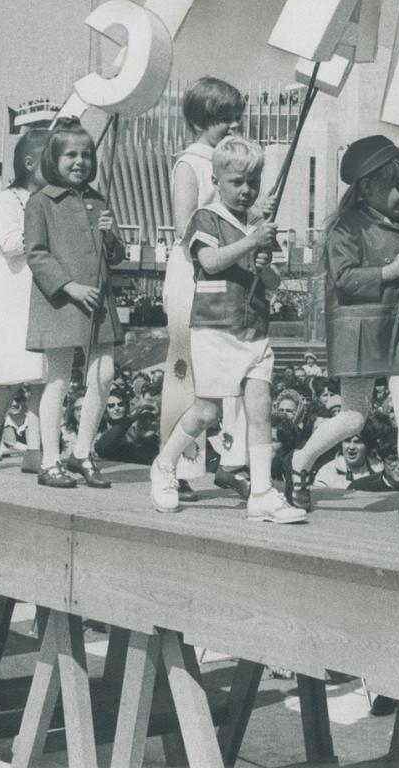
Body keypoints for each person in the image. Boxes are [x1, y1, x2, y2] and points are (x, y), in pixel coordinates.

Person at [287, 135, 399, 527]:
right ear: (367, 187)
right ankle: (300, 461)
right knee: (354, 418)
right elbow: (344, 280)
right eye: (398, 186)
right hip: (363, 329)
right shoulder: (347, 227)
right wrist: (388, 272)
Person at [149, 137, 307, 524]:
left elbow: (270, 282)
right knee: (206, 412)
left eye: (253, 182)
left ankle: (263, 493)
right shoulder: (205, 218)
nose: (246, 190)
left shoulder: (255, 225)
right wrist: (251, 243)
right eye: (237, 182)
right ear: (217, 179)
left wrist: (266, 262)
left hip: (254, 328)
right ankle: (165, 465)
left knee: (260, 410)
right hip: (216, 327)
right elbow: (210, 261)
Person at [23, 121, 127, 490]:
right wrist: (69, 287)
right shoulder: (40, 203)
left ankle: (82, 452)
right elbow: (35, 254)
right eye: (71, 155)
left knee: (104, 375)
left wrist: (110, 233)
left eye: (86, 155)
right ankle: (49, 460)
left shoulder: (97, 200)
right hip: (61, 303)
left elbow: (114, 255)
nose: (80, 161)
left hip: (97, 301)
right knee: (59, 379)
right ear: (53, 159)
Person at [159, 77, 249, 499]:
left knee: (232, 370)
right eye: (222, 120)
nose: (232, 126)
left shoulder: (236, 164)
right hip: (192, 279)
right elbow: (185, 230)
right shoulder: (188, 163)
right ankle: (173, 465)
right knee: (186, 374)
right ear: (200, 120)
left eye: (236, 118)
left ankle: (232, 460)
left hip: (225, 278)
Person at [0, 130, 50, 471]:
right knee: (12, 375)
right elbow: (10, 244)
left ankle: (35, 447)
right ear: (30, 163)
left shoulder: (54, 198)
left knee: (42, 375)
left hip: (44, 293)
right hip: (16, 297)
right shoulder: (9, 199)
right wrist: (47, 233)